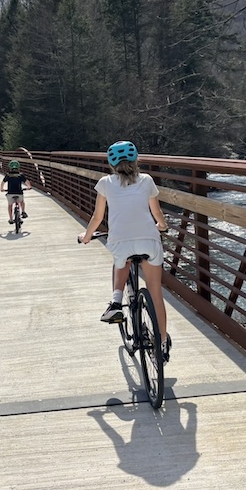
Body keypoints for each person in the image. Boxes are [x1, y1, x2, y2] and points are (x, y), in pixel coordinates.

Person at [78, 141, 171, 361]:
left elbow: (98, 217)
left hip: (121, 242)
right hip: (149, 241)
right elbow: (156, 212)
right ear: (136, 160)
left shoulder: (105, 183)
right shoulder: (147, 180)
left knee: (121, 261)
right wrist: (163, 226)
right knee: (155, 292)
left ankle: (116, 302)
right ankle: (163, 342)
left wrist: (87, 236)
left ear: (111, 163)